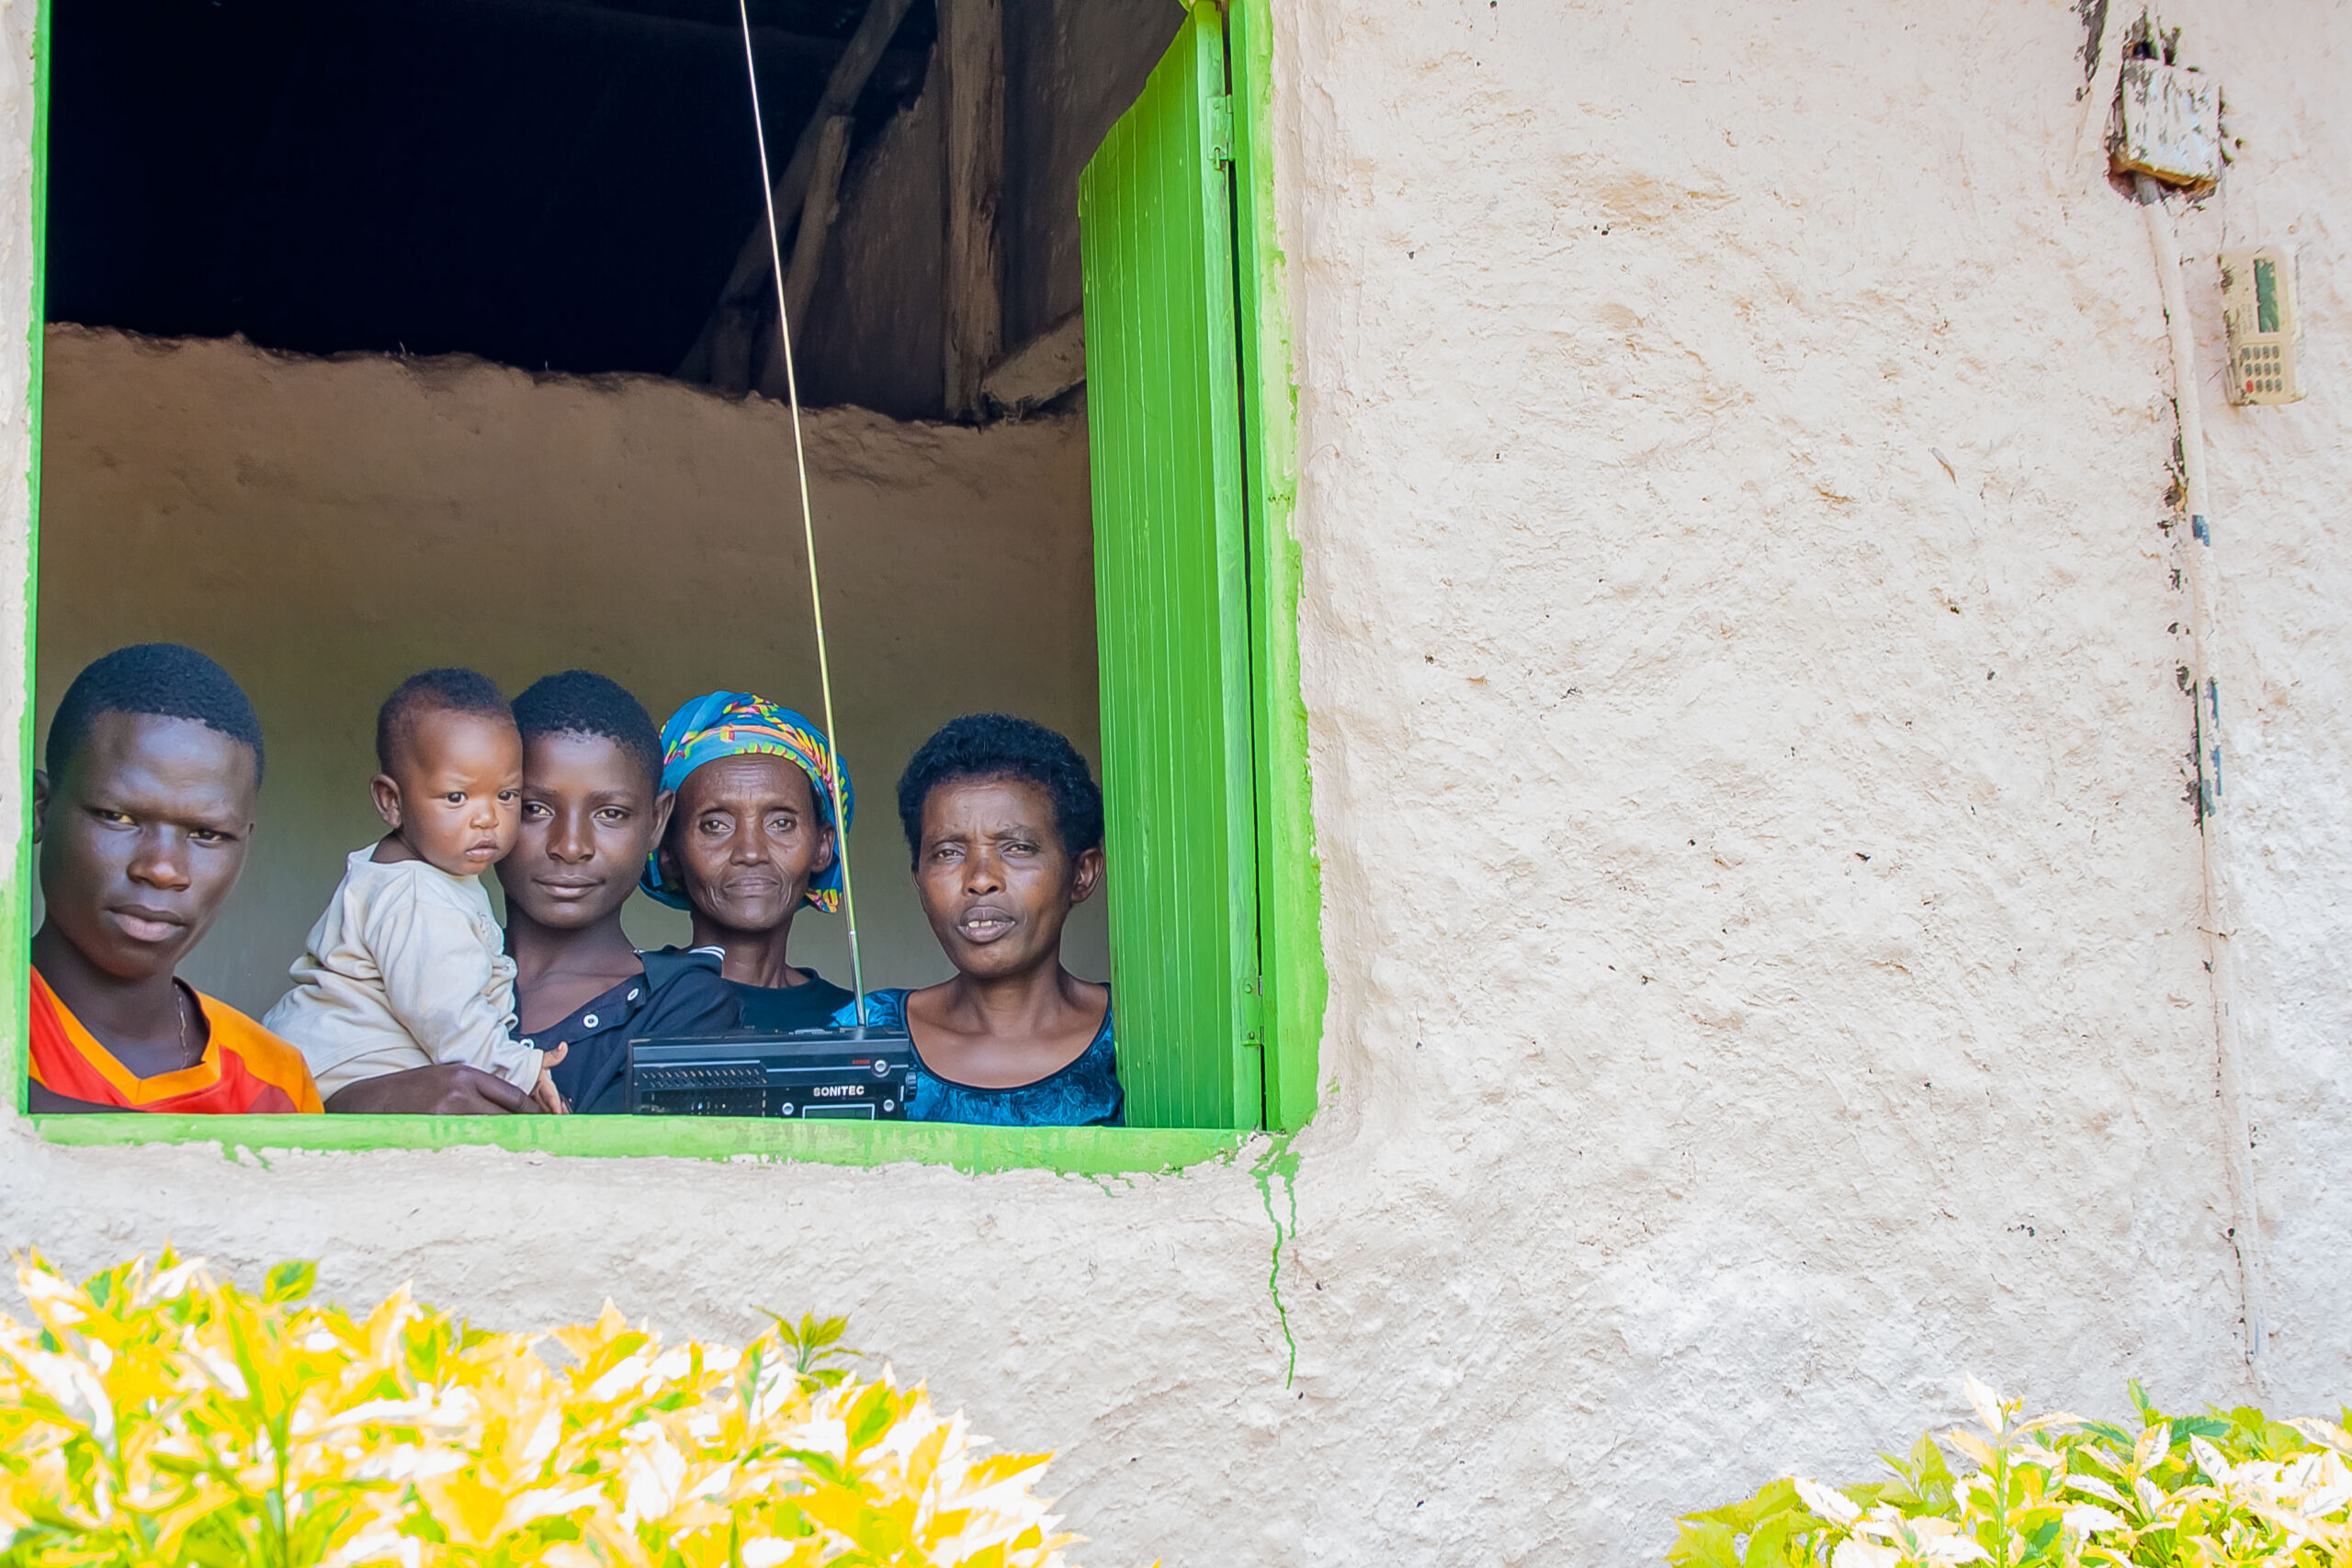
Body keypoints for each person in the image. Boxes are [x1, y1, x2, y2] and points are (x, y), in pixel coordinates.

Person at [27, 643, 322, 1114]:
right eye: (118, 817)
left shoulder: (274, 1083)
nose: (163, 868)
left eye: (208, 834)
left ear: (244, 846)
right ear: (39, 809)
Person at [264, 669, 564, 1111]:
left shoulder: (421, 873)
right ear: (392, 801)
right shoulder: (417, 895)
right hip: (331, 1082)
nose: (487, 818)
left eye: (506, 795)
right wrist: (520, 1069)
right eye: (457, 798)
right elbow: (450, 1019)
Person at [832, 714, 1119, 1126]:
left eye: (1018, 848)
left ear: (1082, 874)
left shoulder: (1136, 1043)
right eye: (948, 852)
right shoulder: (865, 1036)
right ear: (919, 878)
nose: (980, 879)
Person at [499, 671, 741, 1114]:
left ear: (657, 821)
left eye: (610, 813)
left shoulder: (685, 1009)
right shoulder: (415, 965)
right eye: (534, 808)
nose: (570, 846)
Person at [641, 692, 854, 1030]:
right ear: (667, 851)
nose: (751, 852)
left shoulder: (851, 1022)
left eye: (781, 823)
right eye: (716, 825)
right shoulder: (625, 1005)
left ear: (823, 847)